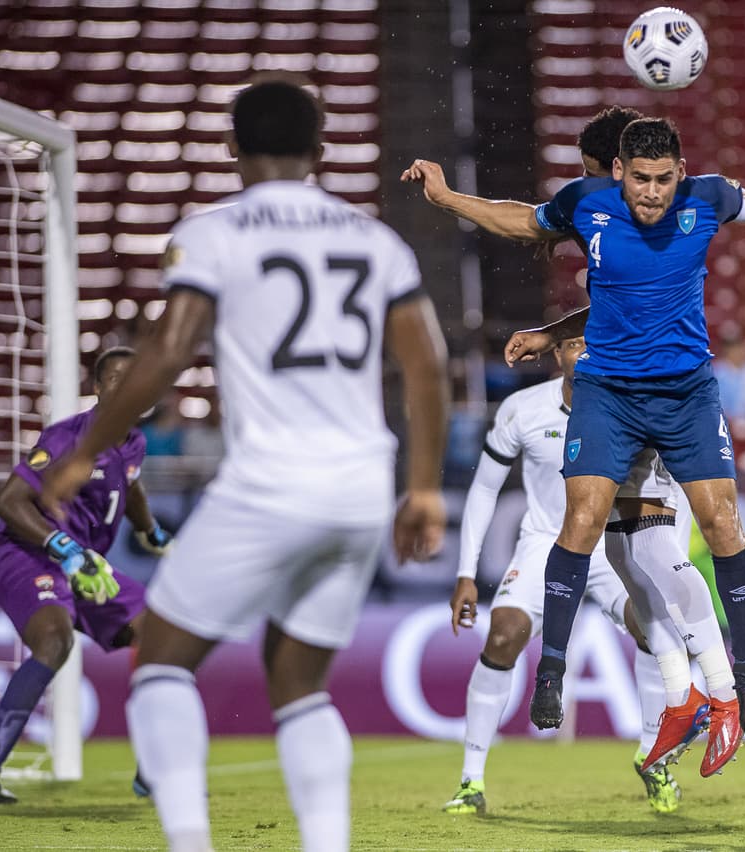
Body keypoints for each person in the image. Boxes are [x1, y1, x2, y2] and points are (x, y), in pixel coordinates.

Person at [41, 78, 449, 852]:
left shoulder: (215, 232)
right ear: (319, 151)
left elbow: (166, 352)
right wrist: (423, 486)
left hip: (271, 481)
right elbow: (425, 366)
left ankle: (190, 841)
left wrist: (87, 451)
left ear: (232, 147)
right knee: (299, 685)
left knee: (161, 661)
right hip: (362, 487)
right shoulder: (376, 240)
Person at [403, 117, 745, 748]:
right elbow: (520, 220)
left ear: (680, 172)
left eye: (665, 179)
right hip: (608, 392)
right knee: (581, 522)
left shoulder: (709, 196)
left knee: (723, 524)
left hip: (686, 393)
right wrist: (447, 199)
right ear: (618, 172)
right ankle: (551, 669)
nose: (653, 193)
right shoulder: (587, 204)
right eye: (641, 179)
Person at [449, 335, 703, 815]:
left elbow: (675, 488)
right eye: (570, 344)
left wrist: (672, 562)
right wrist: (466, 571)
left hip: (615, 541)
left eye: (592, 342)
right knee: (503, 635)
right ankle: (470, 781)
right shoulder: (523, 409)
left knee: (657, 630)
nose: (583, 352)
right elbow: (484, 488)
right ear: (554, 354)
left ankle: (654, 757)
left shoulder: (635, 406)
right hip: (548, 539)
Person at [0, 346, 172, 805]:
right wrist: (62, 546)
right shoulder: (66, 438)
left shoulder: (132, 441)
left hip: (86, 566)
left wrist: (150, 529)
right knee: (55, 643)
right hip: (26, 555)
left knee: (162, 637)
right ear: (97, 388)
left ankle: (152, 769)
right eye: (114, 378)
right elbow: (10, 501)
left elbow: (130, 486)